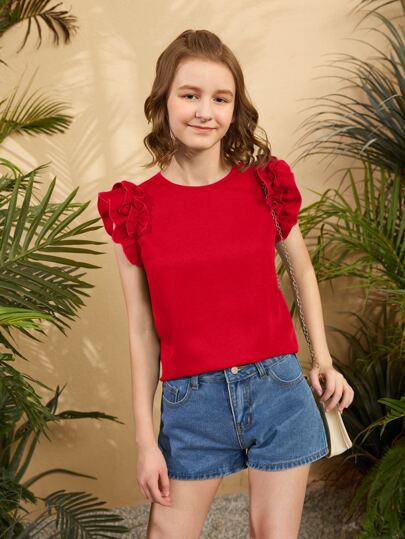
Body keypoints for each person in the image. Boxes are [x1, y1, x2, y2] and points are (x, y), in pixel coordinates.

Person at [97, 29, 354, 539]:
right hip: (192, 405)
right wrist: (146, 441)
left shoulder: (266, 185)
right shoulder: (134, 208)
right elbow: (142, 331)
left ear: (235, 110)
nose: (205, 112)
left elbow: (302, 270)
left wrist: (322, 359)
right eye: (190, 95)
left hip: (278, 389)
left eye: (221, 99)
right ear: (163, 101)